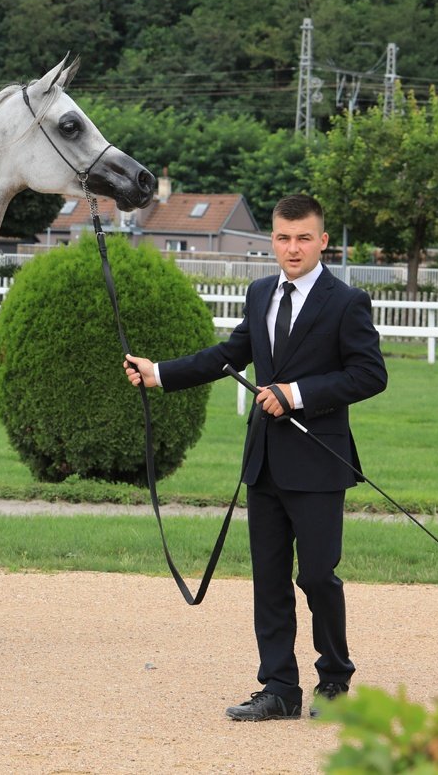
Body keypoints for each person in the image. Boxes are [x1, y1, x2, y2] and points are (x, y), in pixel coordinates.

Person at [124, 194, 387, 722]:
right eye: (284, 238)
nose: (293, 248)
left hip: (318, 463)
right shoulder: (260, 292)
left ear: (322, 241)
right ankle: (280, 688)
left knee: (316, 577)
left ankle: (334, 678)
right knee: (268, 580)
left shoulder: (346, 302)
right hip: (263, 461)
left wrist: (296, 393)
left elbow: (369, 374)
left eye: (304, 238)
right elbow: (229, 356)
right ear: (272, 240)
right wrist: (161, 373)